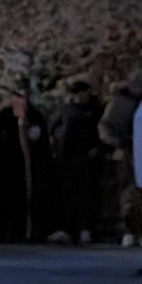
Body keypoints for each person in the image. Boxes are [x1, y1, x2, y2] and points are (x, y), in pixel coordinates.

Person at [0, 85, 53, 242]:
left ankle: (29, 229)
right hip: (6, 166)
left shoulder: (34, 115)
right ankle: (4, 229)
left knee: (27, 197)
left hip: (28, 167)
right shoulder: (4, 115)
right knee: (7, 198)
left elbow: (39, 141)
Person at [99, 67, 142, 247]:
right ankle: (129, 230)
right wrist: (118, 142)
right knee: (128, 194)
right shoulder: (119, 102)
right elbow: (105, 127)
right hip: (126, 152)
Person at [51, 79, 105, 243]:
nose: (81, 96)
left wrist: (96, 148)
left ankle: (85, 228)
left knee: (86, 195)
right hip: (66, 159)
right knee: (67, 195)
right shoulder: (66, 110)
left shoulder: (95, 110)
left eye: (83, 92)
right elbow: (56, 128)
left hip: (86, 159)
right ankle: (67, 228)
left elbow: (100, 133)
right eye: (78, 93)